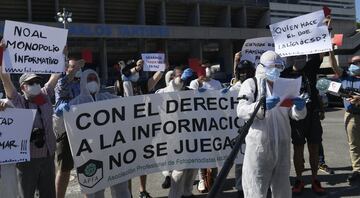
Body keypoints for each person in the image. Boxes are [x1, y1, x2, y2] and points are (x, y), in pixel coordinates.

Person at [237, 50, 307, 198]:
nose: (275, 71)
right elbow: (241, 110)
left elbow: (294, 114)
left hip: (282, 145)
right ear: (262, 67)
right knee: (256, 187)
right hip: (259, 146)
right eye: (271, 67)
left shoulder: (284, 86)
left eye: (278, 67)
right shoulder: (251, 84)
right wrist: (261, 106)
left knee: (282, 188)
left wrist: (299, 108)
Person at [66, 69, 131, 198]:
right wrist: (60, 115)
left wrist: (127, 84)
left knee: (121, 187)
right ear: (83, 82)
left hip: (112, 152)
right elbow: (61, 127)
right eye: (89, 80)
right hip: (90, 155)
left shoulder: (107, 98)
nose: (93, 82)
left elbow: (128, 104)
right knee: (95, 191)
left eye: (95, 79)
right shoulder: (75, 104)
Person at [0, 68, 60, 198]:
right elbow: (6, 80)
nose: (36, 85)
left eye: (37, 82)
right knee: (26, 194)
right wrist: (1, 60)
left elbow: (55, 76)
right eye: (31, 83)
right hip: (27, 160)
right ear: (23, 87)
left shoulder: (44, 96)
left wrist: (62, 58)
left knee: (49, 194)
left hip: (48, 155)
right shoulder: (18, 101)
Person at [281, 53, 327, 195]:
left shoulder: (310, 67)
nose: (299, 58)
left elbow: (320, 54)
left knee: (314, 147)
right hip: (296, 117)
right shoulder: (285, 73)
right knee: (298, 148)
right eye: (296, 56)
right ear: (291, 57)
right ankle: (299, 179)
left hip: (312, 114)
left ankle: (314, 179)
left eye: (302, 56)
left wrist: (326, 32)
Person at [121, 59, 164, 198]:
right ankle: (128, 194)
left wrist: (162, 68)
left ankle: (142, 190)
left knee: (142, 161)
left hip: (142, 128)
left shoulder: (141, 86)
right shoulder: (122, 84)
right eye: (135, 69)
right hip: (127, 129)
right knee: (128, 163)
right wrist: (137, 68)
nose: (137, 71)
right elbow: (125, 73)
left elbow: (154, 79)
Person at [53, 57, 84, 198]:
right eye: (73, 67)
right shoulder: (61, 82)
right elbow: (63, 84)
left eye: (78, 67)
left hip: (84, 129)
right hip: (66, 130)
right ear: (66, 69)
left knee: (87, 166)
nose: (77, 69)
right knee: (64, 168)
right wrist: (72, 69)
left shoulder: (81, 84)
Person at [329, 52, 360, 185]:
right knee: (353, 144)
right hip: (351, 115)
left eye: (357, 62)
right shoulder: (345, 76)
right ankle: (357, 170)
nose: (353, 65)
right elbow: (333, 65)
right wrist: (330, 51)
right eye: (351, 63)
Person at [229, 53, 256, 198]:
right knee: (240, 160)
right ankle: (240, 188)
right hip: (238, 129)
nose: (244, 74)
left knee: (255, 160)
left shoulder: (256, 84)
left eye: (247, 71)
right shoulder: (235, 87)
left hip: (254, 128)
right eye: (242, 72)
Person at [0, 99, 19, 198]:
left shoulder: (5, 103)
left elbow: (19, 120)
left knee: (8, 193)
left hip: (6, 166)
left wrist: (8, 110)